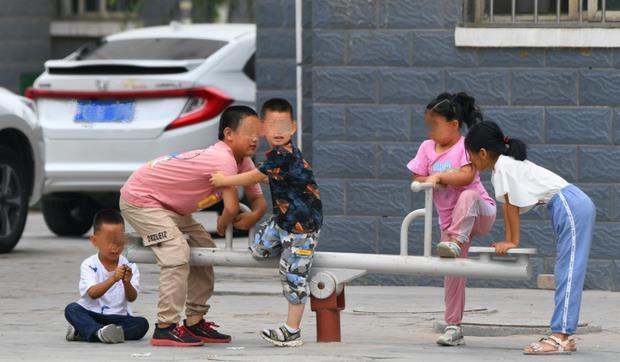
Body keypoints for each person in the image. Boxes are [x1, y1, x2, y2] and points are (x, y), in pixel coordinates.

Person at [119, 105, 267, 346]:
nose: (255, 138)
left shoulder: (244, 161)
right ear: (229, 134)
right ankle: (165, 327)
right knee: (176, 253)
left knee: (205, 249)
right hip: (142, 199)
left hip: (172, 207)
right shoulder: (224, 159)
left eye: (258, 132)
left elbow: (257, 199)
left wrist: (255, 214)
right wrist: (223, 222)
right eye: (249, 131)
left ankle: (195, 321)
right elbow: (230, 208)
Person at [465, 120, 594, 355]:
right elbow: (510, 204)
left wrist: (511, 241)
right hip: (570, 205)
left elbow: (510, 206)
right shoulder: (506, 165)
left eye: (470, 155)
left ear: (482, 153)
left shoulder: (503, 167)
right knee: (567, 269)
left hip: (569, 204)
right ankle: (566, 334)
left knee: (568, 271)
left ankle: (560, 336)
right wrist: (512, 240)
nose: (470, 161)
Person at [211, 98, 322, 347]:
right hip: (283, 221)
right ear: (262, 128)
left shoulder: (284, 154)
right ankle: (274, 248)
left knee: (293, 274)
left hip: (302, 228)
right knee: (260, 248)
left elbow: (257, 175)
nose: (278, 131)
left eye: (284, 125)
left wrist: (224, 180)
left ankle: (292, 331)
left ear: (293, 128)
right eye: (272, 125)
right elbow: (267, 177)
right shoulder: (275, 157)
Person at [406, 93, 496, 346]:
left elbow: (466, 176)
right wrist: (432, 178)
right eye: (429, 124)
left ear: (454, 124)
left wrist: (439, 178)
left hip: (480, 213)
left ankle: (456, 240)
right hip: (452, 225)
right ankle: (453, 326)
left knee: (467, 195)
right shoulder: (426, 148)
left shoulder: (465, 146)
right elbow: (416, 176)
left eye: (436, 124)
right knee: (452, 273)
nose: (431, 129)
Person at [64, 209, 148, 343]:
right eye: (109, 242)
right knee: (72, 309)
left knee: (142, 324)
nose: (114, 247)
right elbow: (92, 293)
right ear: (95, 240)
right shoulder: (89, 264)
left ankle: (88, 332)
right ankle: (99, 332)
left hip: (118, 317)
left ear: (125, 240)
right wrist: (113, 279)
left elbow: (132, 298)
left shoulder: (130, 266)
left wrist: (127, 282)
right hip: (92, 314)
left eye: (118, 241)